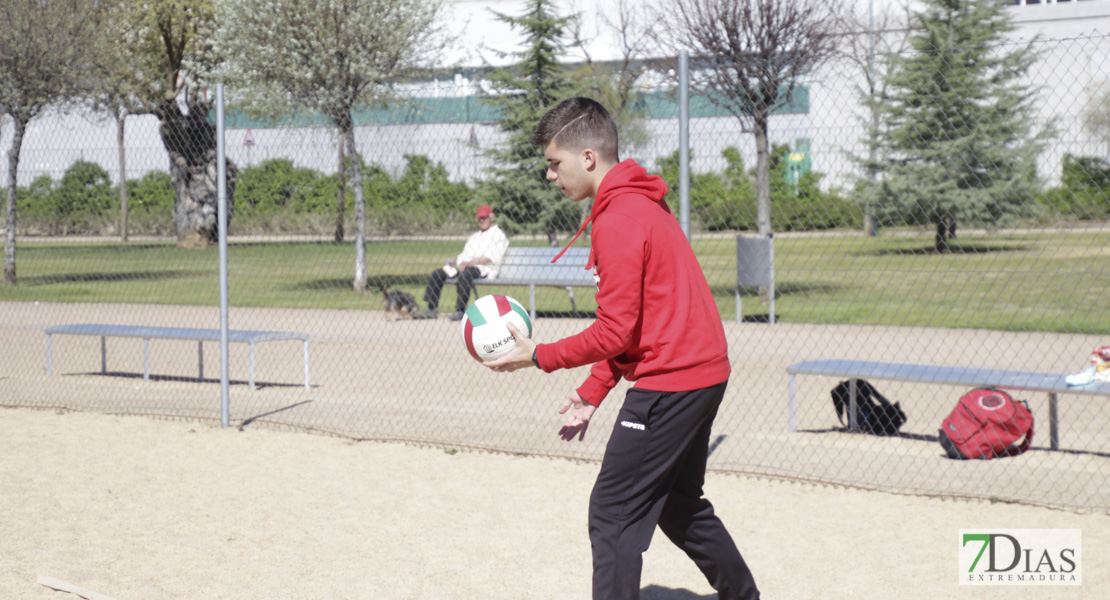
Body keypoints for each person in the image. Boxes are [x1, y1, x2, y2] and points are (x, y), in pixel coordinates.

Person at [485, 98, 759, 600]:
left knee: (611, 516)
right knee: (677, 503)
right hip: (702, 373)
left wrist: (539, 355)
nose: (550, 174)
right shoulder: (637, 203)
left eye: (554, 163)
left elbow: (614, 332)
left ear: (588, 158)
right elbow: (636, 325)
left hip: (672, 381)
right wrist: (593, 390)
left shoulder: (619, 219)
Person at [414, 205, 509, 321]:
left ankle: (460, 310)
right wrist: (455, 261)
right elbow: (465, 254)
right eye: (479, 218)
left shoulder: (498, 235)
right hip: (464, 265)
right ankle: (431, 308)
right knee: (437, 274)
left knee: (466, 275)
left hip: (484, 268)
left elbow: (489, 258)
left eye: (484, 218)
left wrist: (469, 263)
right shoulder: (475, 236)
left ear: (492, 218)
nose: (481, 221)